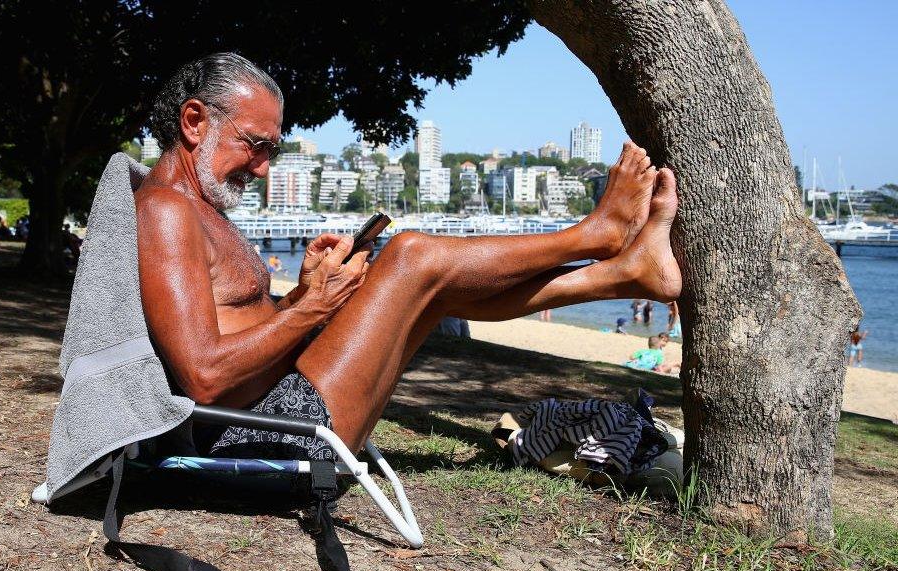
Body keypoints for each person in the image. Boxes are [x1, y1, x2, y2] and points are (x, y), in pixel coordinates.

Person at [134, 53, 681, 462]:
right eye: (256, 144)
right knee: (412, 254)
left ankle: (623, 273)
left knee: (436, 287)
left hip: (280, 407)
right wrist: (311, 310)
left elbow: (231, 331)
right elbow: (204, 377)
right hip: (261, 433)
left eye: (272, 151)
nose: (262, 169)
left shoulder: (196, 208)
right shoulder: (165, 209)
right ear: (194, 122)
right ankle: (595, 236)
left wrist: (304, 291)